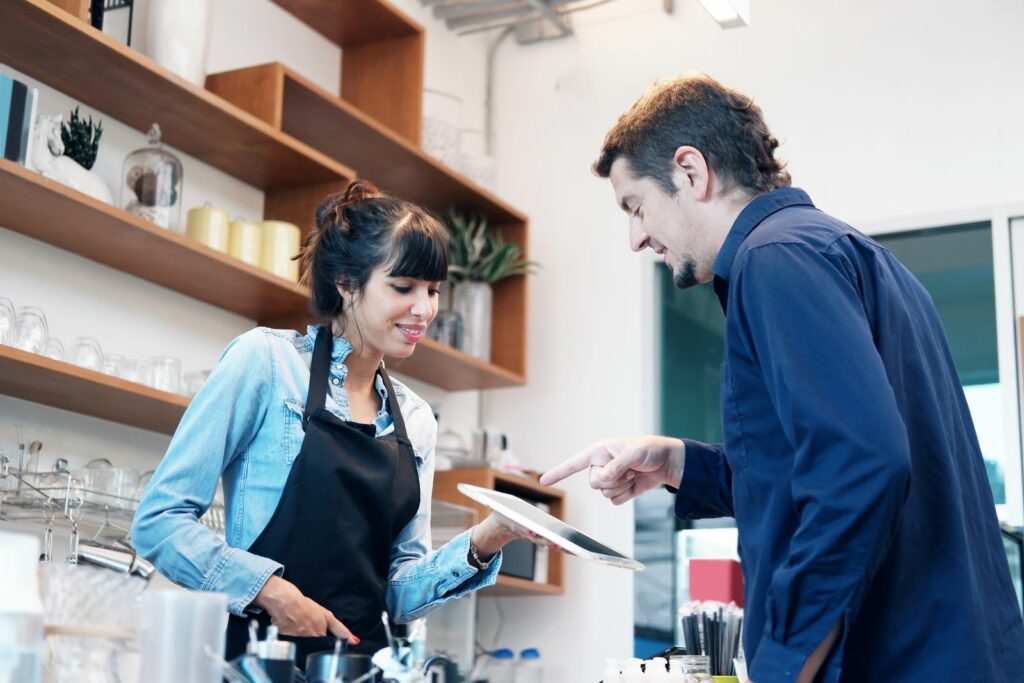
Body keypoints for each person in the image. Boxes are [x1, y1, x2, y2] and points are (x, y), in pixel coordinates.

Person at [541, 75, 1024, 682]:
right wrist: (680, 462)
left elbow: (863, 467)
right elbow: (817, 466)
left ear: (691, 173)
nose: (637, 238)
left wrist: (787, 662)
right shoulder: (843, 252)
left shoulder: (776, 259)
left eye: (636, 207)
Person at [133, 181, 536, 662]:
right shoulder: (266, 363)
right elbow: (159, 522)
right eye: (403, 287)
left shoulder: (414, 420)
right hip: (263, 664)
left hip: (363, 669)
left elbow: (398, 595)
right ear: (346, 284)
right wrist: (270, 591)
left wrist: (489, 537)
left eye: (433, 291)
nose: (425, 309)